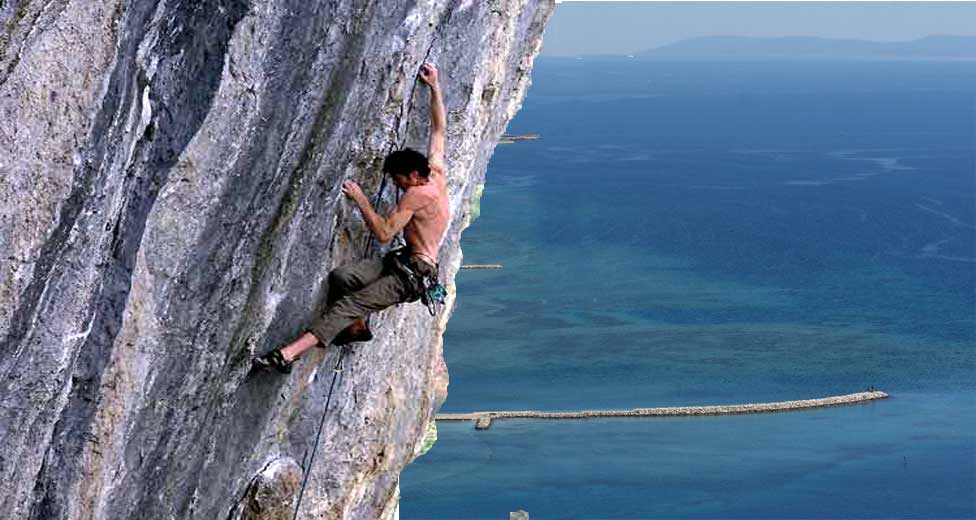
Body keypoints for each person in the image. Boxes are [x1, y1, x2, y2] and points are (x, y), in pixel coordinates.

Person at [252, 63, 451, 374]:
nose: (397, 185)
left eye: (399, 180)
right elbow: (439, 130)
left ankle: (285, 356)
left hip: (411, 276)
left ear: (413, 176)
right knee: (342, 278)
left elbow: (385, 232)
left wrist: (361, 200)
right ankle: (355, 327)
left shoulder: (418, 195)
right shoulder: (435, 173)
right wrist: (435, 86)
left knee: (348, 305)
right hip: (403, 261)